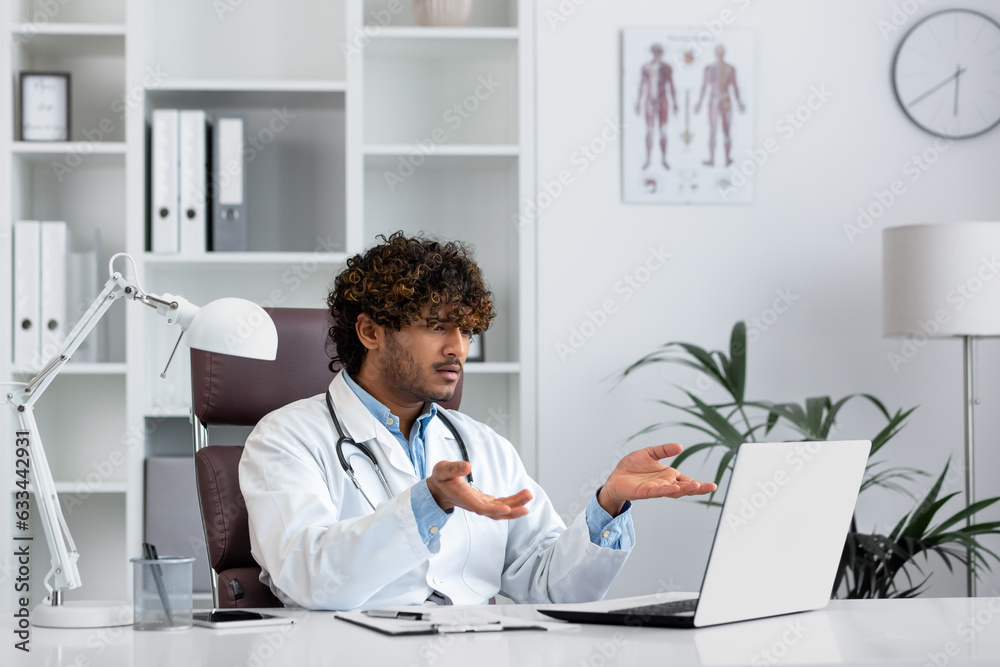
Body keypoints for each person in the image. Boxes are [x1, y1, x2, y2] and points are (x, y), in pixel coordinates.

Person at [239, 232, 716, 610]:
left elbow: (550, 588)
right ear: (370, 331)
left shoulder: (483, 446)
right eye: (437, 325)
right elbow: (308, 580)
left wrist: (609, 504)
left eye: (466, 329)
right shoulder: (286, 439)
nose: (459, 349)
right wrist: (428, 502)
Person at [694, 43, 746, 167]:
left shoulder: (730, 69)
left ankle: (727, 158)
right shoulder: (709, 69)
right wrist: (699, 103)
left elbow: (735, 87)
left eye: (721, 52)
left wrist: (739, 102)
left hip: (725, 101)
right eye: (718, 52)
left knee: (726, 131)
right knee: (713, 131)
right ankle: (712, 159)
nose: (719, 54)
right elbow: (704, 86)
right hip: (713, 101)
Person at [635, 43, 678, 170]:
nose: (657, 54)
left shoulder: (667, 68)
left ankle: (664, 159)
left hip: (663, 101)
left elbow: (671, 85)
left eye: (659, 52)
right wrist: (638, 102)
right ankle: (648, 159)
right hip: (649, 101)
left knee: (663, 130)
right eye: (655, 52)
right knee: (649, 130)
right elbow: (642, 85)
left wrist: (675, 103)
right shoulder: (646, 67)